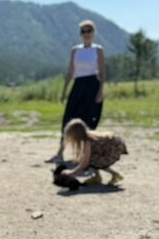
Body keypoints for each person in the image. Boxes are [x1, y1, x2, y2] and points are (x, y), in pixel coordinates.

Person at [46, 19, 105, 163]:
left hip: (93, 86)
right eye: (83, 31)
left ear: (93, 33)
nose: (86, 34)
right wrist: (64, 91)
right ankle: (60, 152)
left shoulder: (98, 50)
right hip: (78, 86)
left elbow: (103, 72)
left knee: (89, 121)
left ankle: (87, 156)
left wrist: (101, 92)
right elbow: (70, 71)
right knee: (68, 119)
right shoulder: (75, 50)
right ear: (80, 34)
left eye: (89, 31)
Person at [59, 118, 127, 185]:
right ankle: (97, 177)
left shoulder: (88, 140)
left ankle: (115, 175)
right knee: (92, 157)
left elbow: (85, 163)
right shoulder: (88, 135)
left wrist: (71, 172)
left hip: (115, 149)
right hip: (116, 145)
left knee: (92, 160)